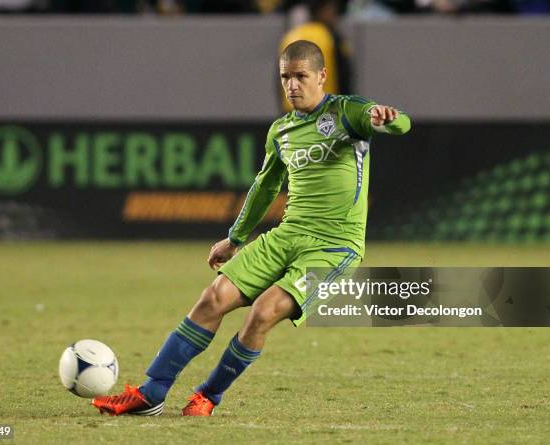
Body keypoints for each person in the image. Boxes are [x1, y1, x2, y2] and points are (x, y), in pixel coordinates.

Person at [92, 39, 411, 417]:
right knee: (213, 299)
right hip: (287, 235)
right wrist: (235, 239)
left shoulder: (347, 111)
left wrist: (388, 118)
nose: (292, 85)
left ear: (322, 76)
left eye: (301, 76)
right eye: (285, 77)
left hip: (334, 247)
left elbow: (399, 123)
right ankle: (151, 393)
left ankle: (208, 395)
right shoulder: (281, 131)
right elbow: (265, 187)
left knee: (262, 312)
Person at [279, 0, 353, 112]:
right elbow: (344, 76)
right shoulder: (330, 37)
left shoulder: (291, 36)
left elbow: (280, 79)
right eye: (332, 10)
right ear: (323, 10)